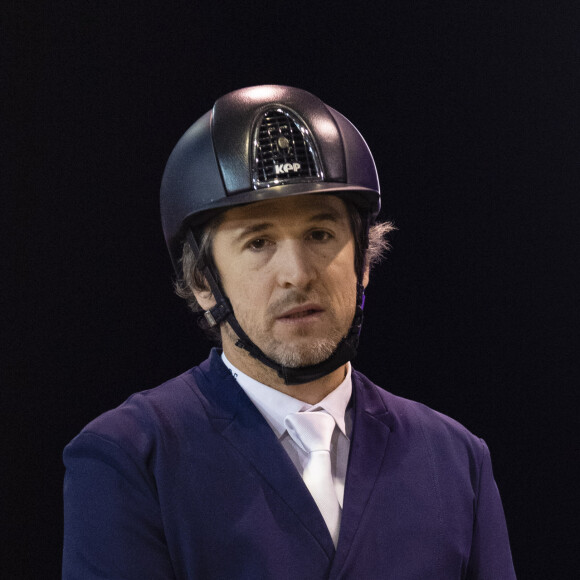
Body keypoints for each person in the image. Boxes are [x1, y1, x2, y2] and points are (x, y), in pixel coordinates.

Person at [62, 85, 516, 579]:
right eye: (258, 242)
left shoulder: (455, 459)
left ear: (363, 260)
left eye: (320, 235)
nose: (297, 274)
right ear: (203, 281)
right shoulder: (129, 457)